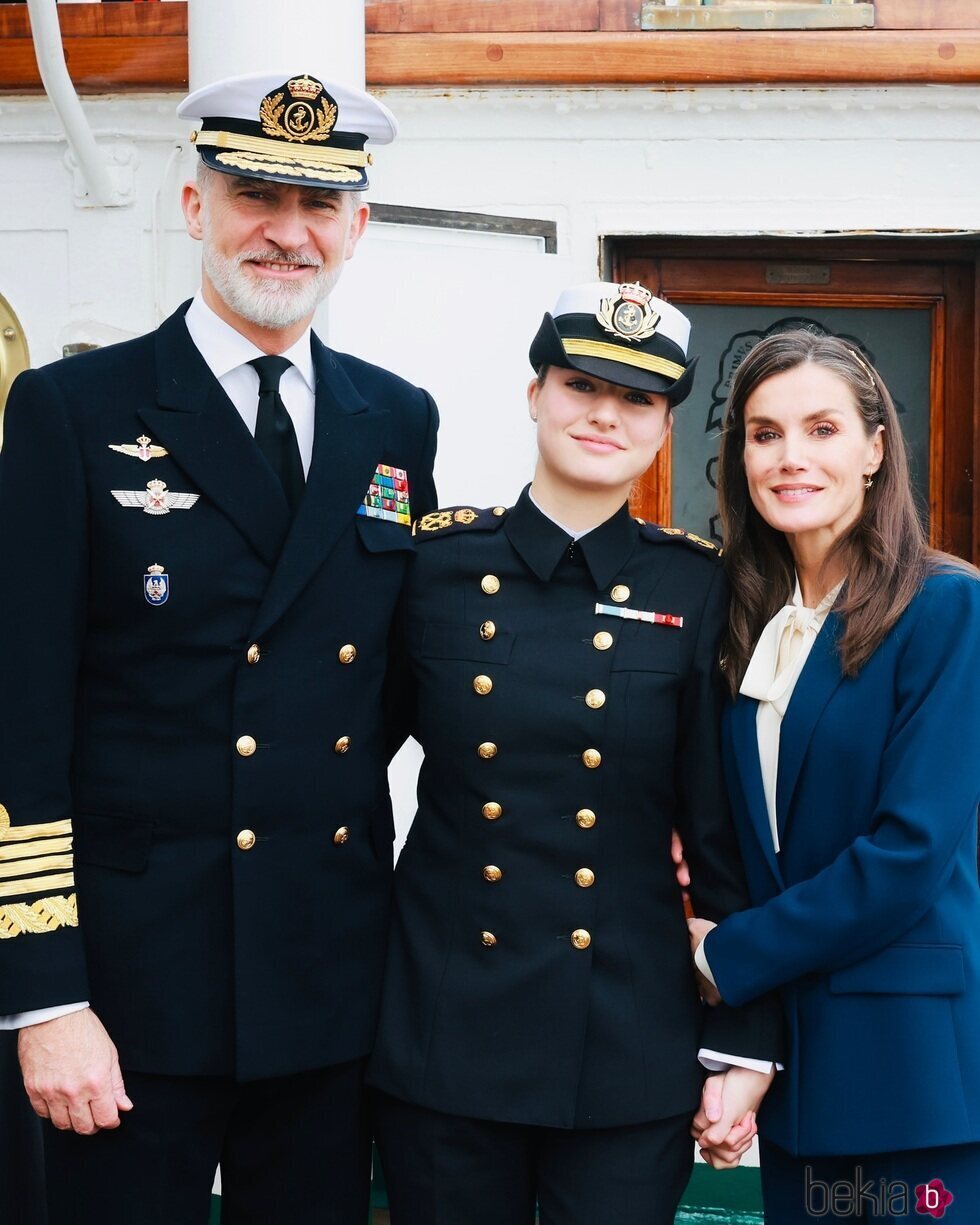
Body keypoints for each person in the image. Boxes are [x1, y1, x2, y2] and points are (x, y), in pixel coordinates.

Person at [0, 69, 438, 1225]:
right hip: (131, 989)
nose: (285, 234)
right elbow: (20, 723)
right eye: (253, 196)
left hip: (325, 975)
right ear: (194, 207)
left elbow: (392, 677)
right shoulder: (72, 411)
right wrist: (45, 999)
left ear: (357, 225)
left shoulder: (395, 418)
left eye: (317, 208)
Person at [367, 281, 782, 1225]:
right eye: (579, 384)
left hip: (628, 1038)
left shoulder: (699, 584)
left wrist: (743, 1038)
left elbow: (723, 833)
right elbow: (341, 770)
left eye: (637, 398)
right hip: (446, 1026)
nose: (604, 413)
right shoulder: (431, 567)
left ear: (666, 424)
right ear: (534, 394)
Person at [688, 330, 980, 1221]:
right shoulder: (742, 617)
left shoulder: (946, 606)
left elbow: (909, 851)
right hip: (800, 1072)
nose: (791, 458)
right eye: (765, 433)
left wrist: (723, 956)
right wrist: (745, 1053)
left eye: (821, 428)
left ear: (874, 447)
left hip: (910, 1062)